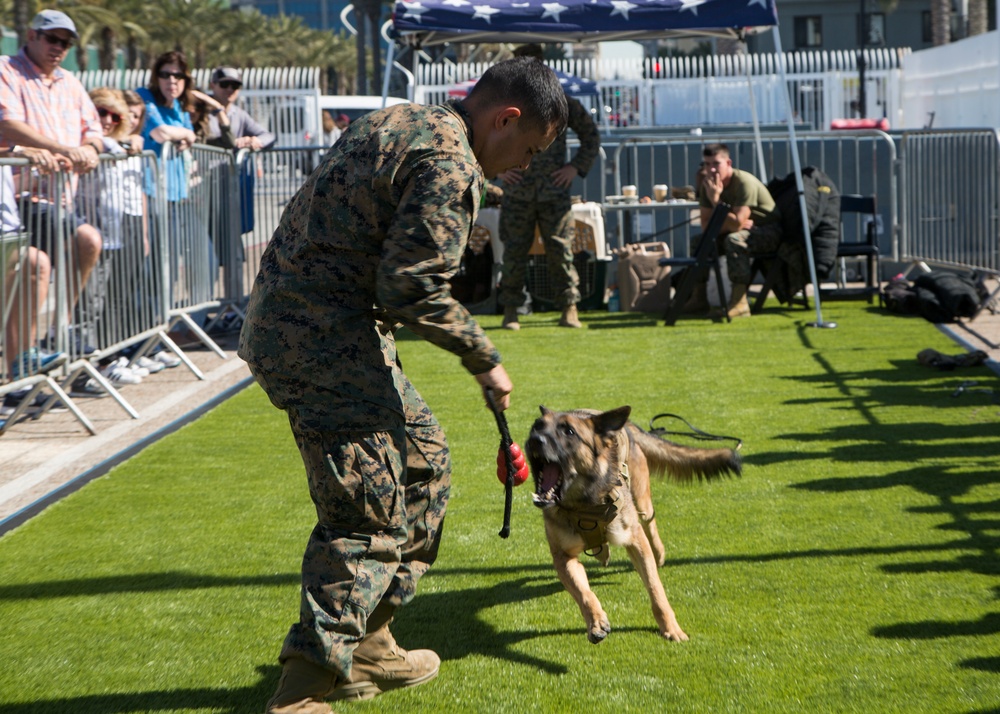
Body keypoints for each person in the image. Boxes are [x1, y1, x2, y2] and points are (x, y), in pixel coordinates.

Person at [238, 56, 568, 714]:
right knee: (366, 511)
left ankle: (369, 646)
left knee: (423, 464)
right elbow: (410, 284)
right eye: (530, 150)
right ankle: (303, 690)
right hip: (321, 341)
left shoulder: (399, 119)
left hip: (316, 327)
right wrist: (483, 357)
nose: (524, 166)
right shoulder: (450, 161)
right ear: (505, 120)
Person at [0, 9, 104, 356]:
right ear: (31, 36)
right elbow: (7, 123)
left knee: (37, 271)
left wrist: (89, 150)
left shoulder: (70, 82)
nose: (59, 47)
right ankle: (29, 356)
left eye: (66, 42)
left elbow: (95, 131)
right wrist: (63, 150)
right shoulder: (6, 69)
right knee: (43, 265)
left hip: (59, 199)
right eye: (52, 39)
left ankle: (48, 341)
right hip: (17, 199)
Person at [496, 43, 600, 331]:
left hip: (554, 191)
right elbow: (484, 140)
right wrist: (499, 171)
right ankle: (511, 310)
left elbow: (591, 136)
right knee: (514, 251)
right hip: (518, 191)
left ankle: (569, 307)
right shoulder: (504, 105)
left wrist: (574, 168)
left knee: (560, 249)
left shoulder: (560, 102)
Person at [684, 143, 781, 319]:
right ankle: (699, 297)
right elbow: (706, 227)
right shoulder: (708, 185)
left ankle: (739, 302)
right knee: (699, 242)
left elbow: (736, 226)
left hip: (768, 231)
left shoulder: (743, 182)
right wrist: (731, 223)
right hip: (740, 230)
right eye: (707, 164)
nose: (711, 169)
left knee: (734, 240)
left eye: (716, 163)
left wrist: (716, 201)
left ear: (728, 163)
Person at [205, 67, 276, 151]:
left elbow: (269, 136)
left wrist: (254, 141)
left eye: (235, 86)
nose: (230, 89)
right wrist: (234, 142)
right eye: (224, 84)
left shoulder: (239, 114)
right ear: (212, 85)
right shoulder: (201, 111)